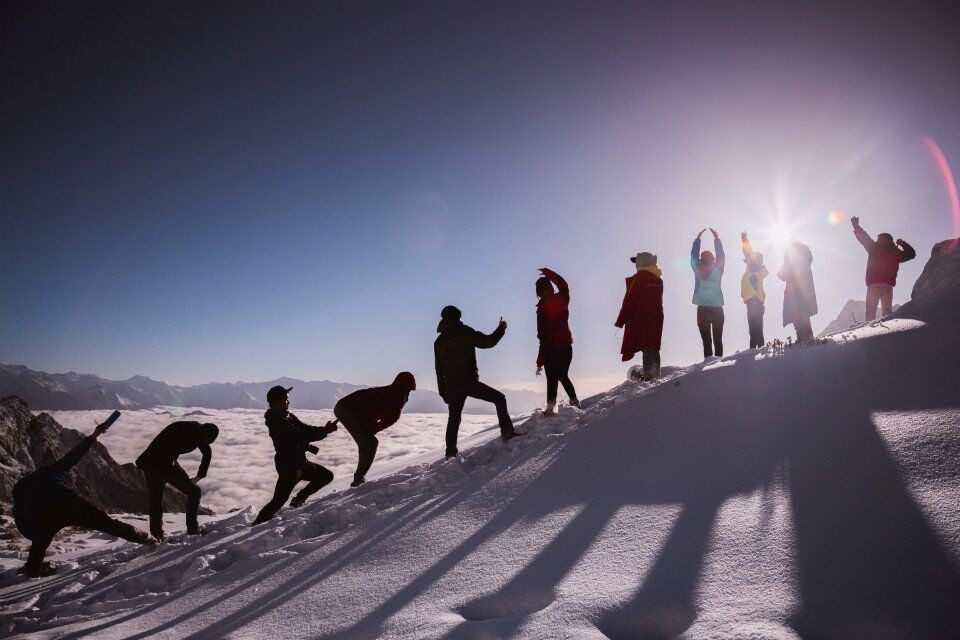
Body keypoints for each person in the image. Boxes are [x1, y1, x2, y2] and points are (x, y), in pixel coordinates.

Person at [13, 420, 153, 577]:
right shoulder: (52, 470)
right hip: (66, 502)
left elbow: (19, 515)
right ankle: (147, 539)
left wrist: (32, 533)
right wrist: (95, 434)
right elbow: (74, 455)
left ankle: (32, 570)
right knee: (107, 524)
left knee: (40, 542)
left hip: (40, 519)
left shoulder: (20, 489)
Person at [434, 305, 523, 459]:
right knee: (499, 398)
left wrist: (443, 392)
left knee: (454, 418)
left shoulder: (439, 341)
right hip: (467, 381)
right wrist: (501, 329)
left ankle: (450, 453)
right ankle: (508, 433)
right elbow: (488, 342)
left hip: (451, 385)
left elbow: (438, 369)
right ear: (457, 317)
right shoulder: (463, 331)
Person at [252, 385, 338, 525]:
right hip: (289, 467)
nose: (289, 402)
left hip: (301, 463)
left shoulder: (288, 416)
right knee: (278, 501)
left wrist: (324, 429)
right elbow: (301, 435)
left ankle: (299, 498)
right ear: (277, 402)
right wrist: (325, 431)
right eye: (286, 399)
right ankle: (254, 527)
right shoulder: (275, 422)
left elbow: (305, 428)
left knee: (326, 476)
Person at [135, 420, 219, 540]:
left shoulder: (189, 427)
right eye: (208, 441)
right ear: (206, 434)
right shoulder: (198, 431)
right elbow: (207, 453)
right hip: (163, 463)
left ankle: (157, 536)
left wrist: (185, 474)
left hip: (149, 463)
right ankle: (192, 530)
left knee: (156, 500)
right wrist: (199, 477)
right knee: (194, 492)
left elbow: (169, 448)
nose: (205, 443)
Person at [334, 372, 417, 487]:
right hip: (348, 410)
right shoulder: (398, 395)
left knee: (370, 442)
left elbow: (369, 405)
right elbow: (392, 417)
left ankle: (359, 477)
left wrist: (371, 428)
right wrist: (373, 429)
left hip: (349, 409)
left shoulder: (391, 391)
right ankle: (359, 478)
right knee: (369, 443)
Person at [851, 216, 916, 321]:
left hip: (874, 285)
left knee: (870, 313)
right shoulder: (897, 253)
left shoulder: (874, 247)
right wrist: (903, 244)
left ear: (881, 239)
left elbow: (863, 237)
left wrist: (855, 225)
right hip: (888, 287)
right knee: (887, 315)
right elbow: (912, 254)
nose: (877, 240)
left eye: (878, 238)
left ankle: (868, 331)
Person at [535, 267, 579, 415]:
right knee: (562, 375)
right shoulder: (562, 299)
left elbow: (543, 337)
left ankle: (550, 407)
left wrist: (540, 360)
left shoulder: (542, 309)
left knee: (552, 378)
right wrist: (549, 273)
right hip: (565, 346)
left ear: (538, 292)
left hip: (552, 349)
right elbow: (563, 284)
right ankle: (574, 402)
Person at [615, 252, 664, 380]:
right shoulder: (658, 280)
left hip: (642, 317)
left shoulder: (640, 277)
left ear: (642, 262)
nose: (635, 265)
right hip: (657, 317)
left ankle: (649, 376)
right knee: (653, 345)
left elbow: (630, 300)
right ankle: (655, 375)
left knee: (646, 345)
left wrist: (620, 321)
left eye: (637, 262)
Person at [691, 228, 726, 358]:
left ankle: (708, 366)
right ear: (713, 259)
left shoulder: (697, 269)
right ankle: (719, 366)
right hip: (717, 309)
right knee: (718, 341)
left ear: (701, 259)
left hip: (702, 309)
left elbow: (693, 256)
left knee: (706, 342)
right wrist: (716, 239)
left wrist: (697, 240)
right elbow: (721, 256)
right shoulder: (718, 269)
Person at [778, 241, 818, 341]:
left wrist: (780, 272)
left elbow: (784, 274)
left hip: (794, 292)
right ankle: (808, 339)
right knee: (804, 314)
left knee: (797, 314)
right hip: (804, 290)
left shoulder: (792, 256)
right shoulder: (804, 257)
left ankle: (802, 339)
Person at [740, 232, 769, 348]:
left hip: (755, 302)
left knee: (755, 330)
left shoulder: (755, 268)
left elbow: (748, 252)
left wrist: (745, 241)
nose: (746, 260)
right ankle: (755, 351)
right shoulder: (751, 271)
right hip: (752, 302)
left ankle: (757, 351)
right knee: (754, 330)